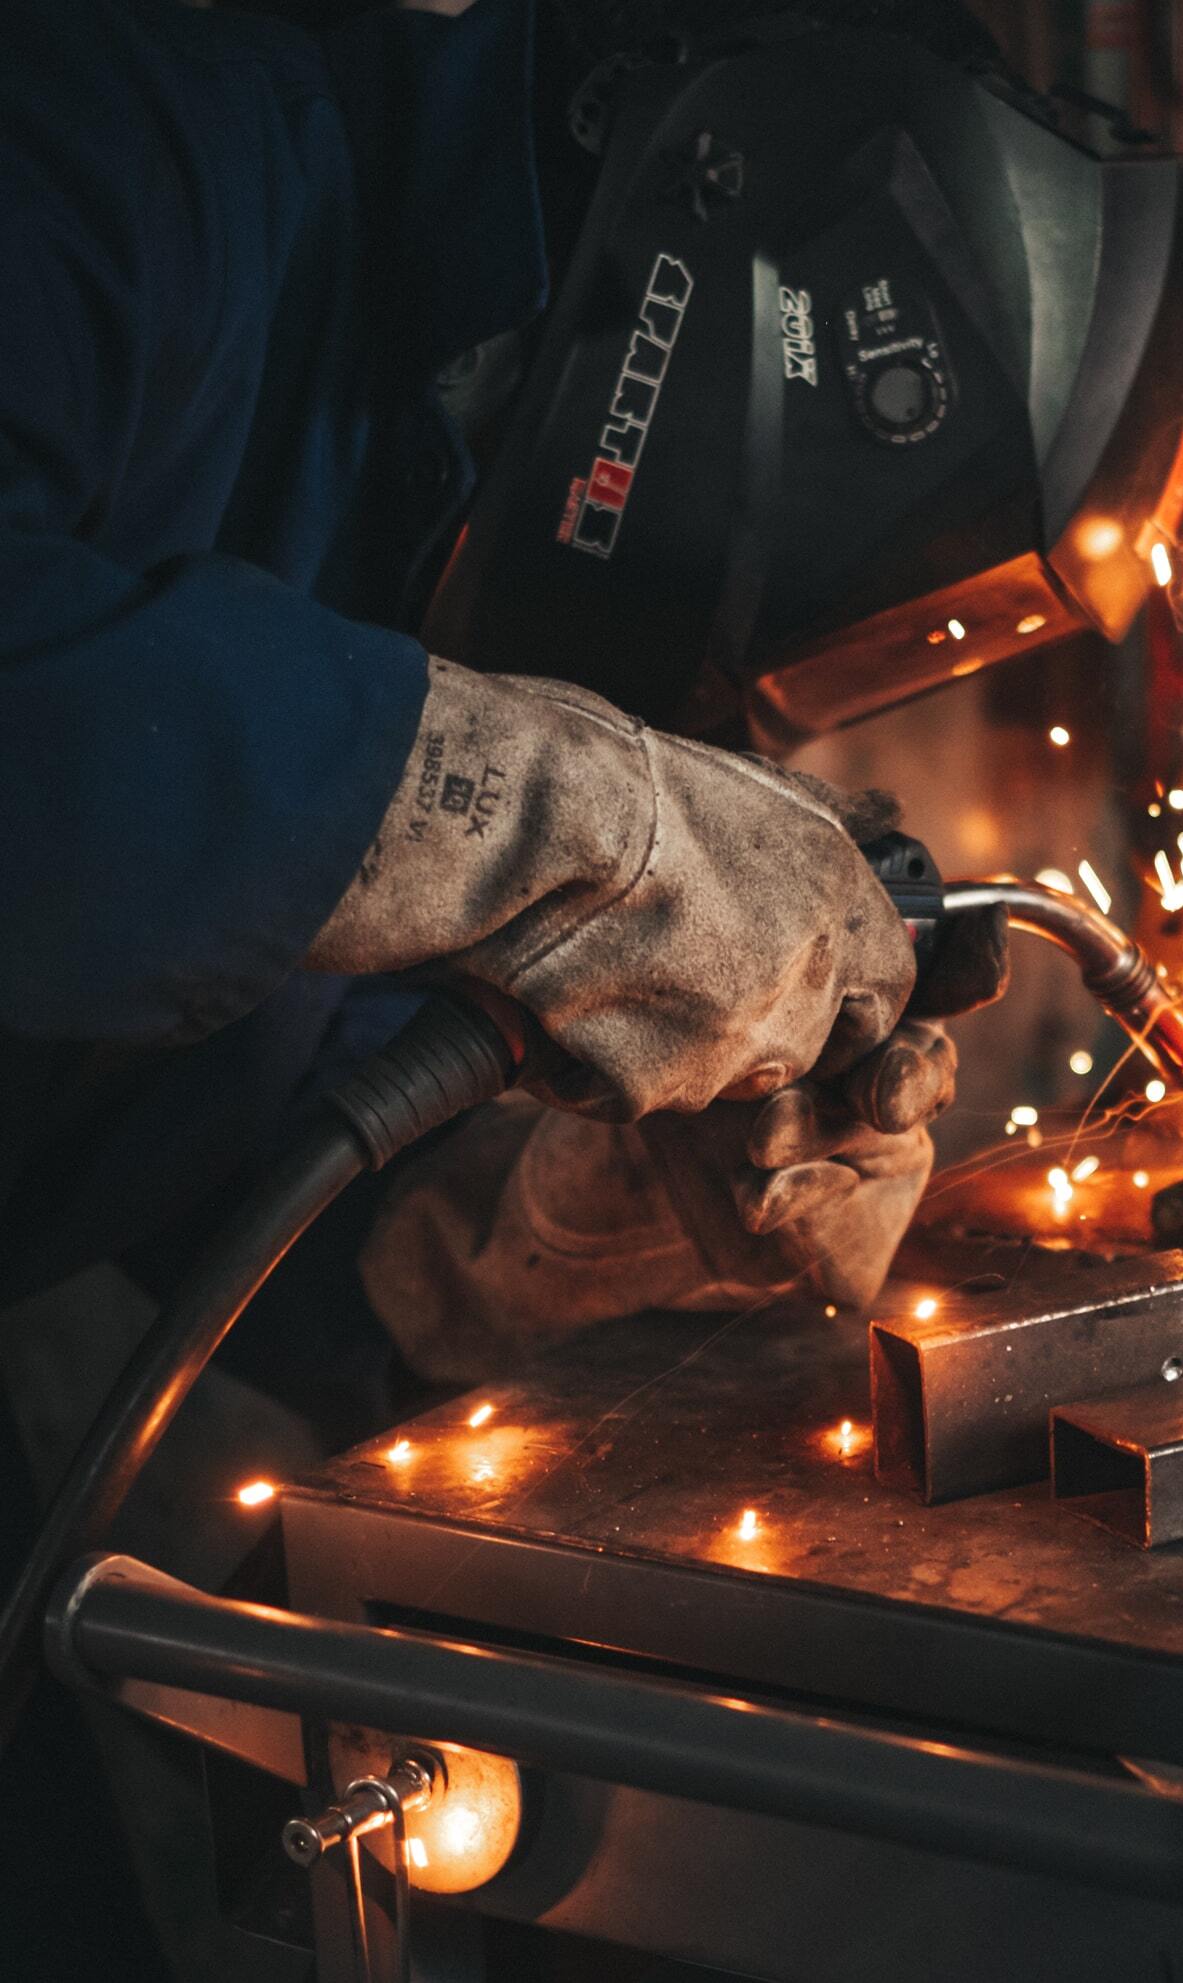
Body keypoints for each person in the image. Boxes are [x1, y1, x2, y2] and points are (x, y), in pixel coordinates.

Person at [0, 3, 1004, 1968]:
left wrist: (513, 1227)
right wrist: (532, 815)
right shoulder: (118, 117)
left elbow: (169, 1078)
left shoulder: (416, 448)